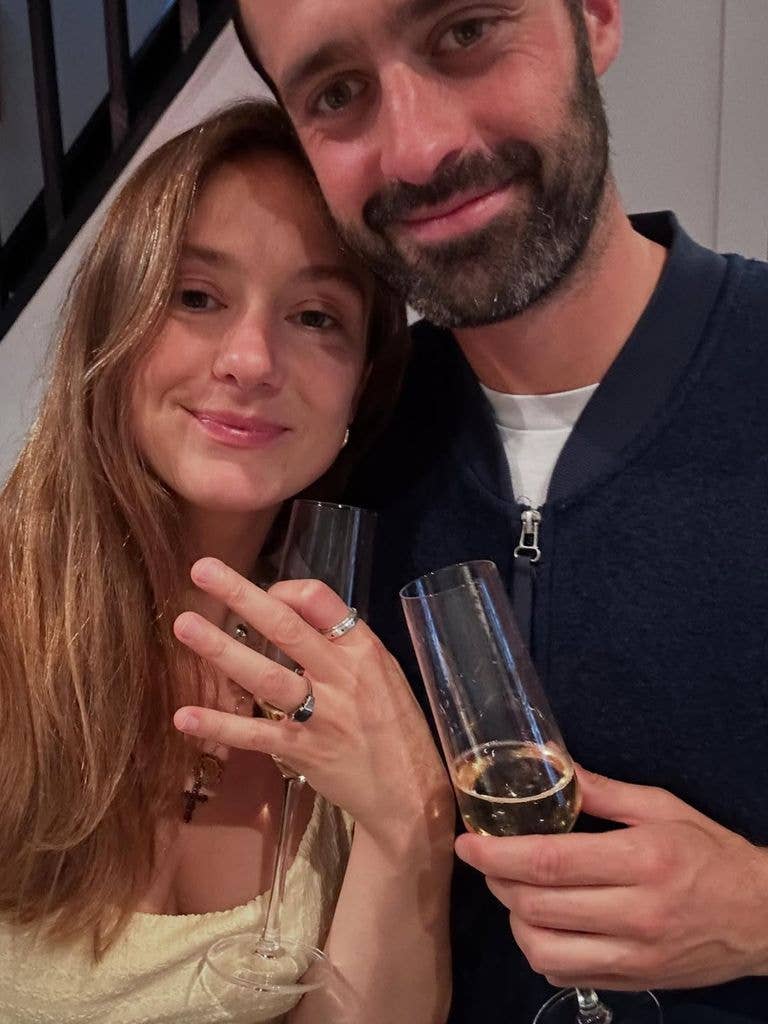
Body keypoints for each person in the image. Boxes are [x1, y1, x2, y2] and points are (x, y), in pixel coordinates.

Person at [232, 2, 768, 1022]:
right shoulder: (329, 452)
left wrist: (757, 910)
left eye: (466, 31)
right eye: (337, 93)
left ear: (597, 20)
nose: (422, 149)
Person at [0, 100, 454, 1024]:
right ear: (113, 323)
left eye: (317, 316)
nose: (251, 359)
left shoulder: (350, 650)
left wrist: (409, 826)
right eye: (196, 297)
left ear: (361, 385)